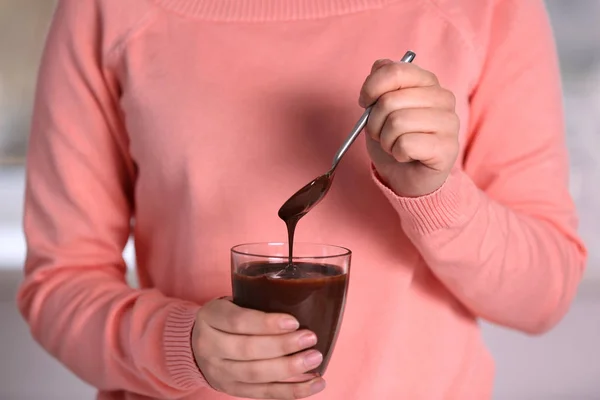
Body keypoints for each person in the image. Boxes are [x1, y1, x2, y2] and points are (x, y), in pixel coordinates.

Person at [17, 0, 587, 399]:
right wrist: (178, 344)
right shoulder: (108, 9)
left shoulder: (483, 8)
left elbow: (544, 294)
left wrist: (434, 194)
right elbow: (58, 282)